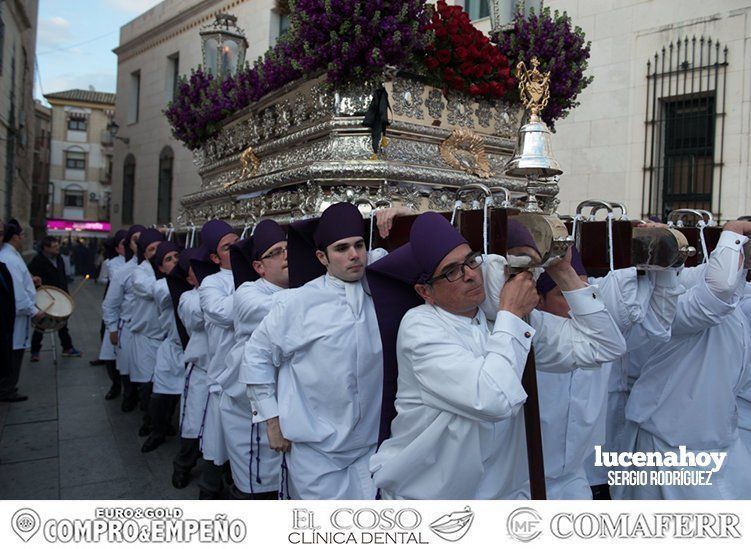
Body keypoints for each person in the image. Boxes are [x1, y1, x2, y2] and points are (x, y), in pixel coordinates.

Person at [367, 212, 627, 499]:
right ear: (425, 291)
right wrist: (511, 314)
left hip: (502, 498)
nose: (469, 274)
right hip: (431, 500)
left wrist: (563, 273)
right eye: (452, 271)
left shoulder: (498, 318)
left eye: (471, 260)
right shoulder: (421, 327)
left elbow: (605, 346)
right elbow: (493, 399)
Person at [241, 203, 409, 499]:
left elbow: (426, 255)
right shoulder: (296, 304)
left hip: (374, 447)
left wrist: (408, 216)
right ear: (322, 257)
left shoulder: (382, 286)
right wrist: (272, 421)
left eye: (359, 245)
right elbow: (256, 356)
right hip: (316, 455)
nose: (354, 255)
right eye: (341, 249)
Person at [534, 242, 683, 499]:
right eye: (563, 294)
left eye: (581, 292)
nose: (576, 304)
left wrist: (663, 267)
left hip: (576, 480)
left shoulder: (603, 335)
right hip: (522, 482)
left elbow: (657, 325)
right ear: (539, 301)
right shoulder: (529, 339)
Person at [625, 220, 751, 499]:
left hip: (715, 441)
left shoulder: (693, 283)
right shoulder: (669, 306)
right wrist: (732, 230)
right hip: (672, 445)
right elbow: (721, 286)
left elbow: (722, 279)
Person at [220, 220, 287, 499]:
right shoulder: (248, 293)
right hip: (249, 411)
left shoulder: (304, 289)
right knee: (256, 490)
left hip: (288, 407)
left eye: (288, 249)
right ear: (260, 267)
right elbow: (285, 309)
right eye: (277, 252)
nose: (287, 256)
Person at [196, 220, 239, 499]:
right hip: (224, 379)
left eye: (238, 243)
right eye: (227, 247)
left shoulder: (258, 276)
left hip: (252, 378)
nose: (235, 249)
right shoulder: (211, 284)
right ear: (214, 257)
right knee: (218, 447)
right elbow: (222, 312)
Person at [172, 247, 217, 491]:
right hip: (201, 371)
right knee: (194, 424)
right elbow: (199, 316)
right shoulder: (188, 298)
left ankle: (213, 481)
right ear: (190, 279)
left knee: (218, 433)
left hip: (224, 375)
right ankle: (182, 465)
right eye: (196, 272)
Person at [141, 240, 182, 453]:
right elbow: (169, 293)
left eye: (177, 256)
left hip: (194, 353)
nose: (174, 261)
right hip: (172, 348)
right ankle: (157, 431)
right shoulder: (161, 287)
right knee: (160, 395)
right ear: (160, 268)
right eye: (168, 259)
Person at [102, 225, 145, 411]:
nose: (140, 243)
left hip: (151, 329)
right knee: (127, 366)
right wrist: (112, 328)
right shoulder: (123, 272)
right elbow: (110, 304)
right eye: (136, 239)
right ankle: (128, 395)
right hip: (128, 326)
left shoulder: (160, 268)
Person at [0, 220, 44, 402]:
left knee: (14, 351)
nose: (24, 238)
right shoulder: (8, 258)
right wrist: (33, 310)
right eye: (22, 235)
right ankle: (6, 389)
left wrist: (31, 281)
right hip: (14, 317)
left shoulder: (12, 256)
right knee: (12, 352)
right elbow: (16, 291)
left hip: (17, 315)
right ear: (16, 237)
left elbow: (20, 281)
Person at [128, 228, 167, 435]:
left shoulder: (168, 267)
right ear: (144, 254)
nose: (155, 253)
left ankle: (161, 422)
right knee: (146, 386)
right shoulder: (139, 272)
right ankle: (150, 422)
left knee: (163, 387)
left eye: (159, 248)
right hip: (144, 338)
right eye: (151, 249)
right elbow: (156, 290)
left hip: (165, 339)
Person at [27, 236, 82, 361]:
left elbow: (62, 277)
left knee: (62, 324)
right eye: (54, 247)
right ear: (46, 248)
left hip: (60, 295)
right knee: (41, 325)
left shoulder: (59, 258)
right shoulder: (37, 260)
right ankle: (35, 351)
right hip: (45, 297)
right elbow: (30, 277)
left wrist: (66, 296)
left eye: (57, 246)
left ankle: (67, 347)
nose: (58, 248)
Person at [93, 230, 128, 399]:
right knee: (110, 349)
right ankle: (115, 385)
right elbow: (102, 279)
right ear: (117, 247)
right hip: (115, 308)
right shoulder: (112, 263)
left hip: (130, 314)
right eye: (123, 243)